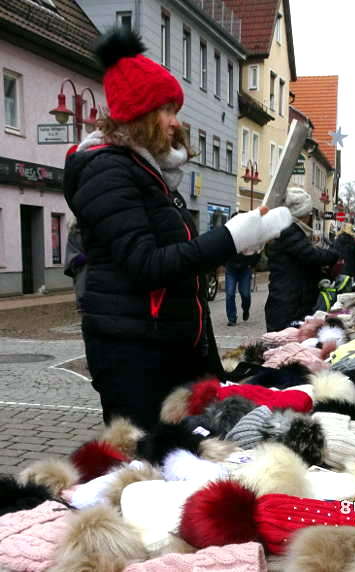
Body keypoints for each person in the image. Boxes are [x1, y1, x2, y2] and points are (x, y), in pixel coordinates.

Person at [63, 29, 291, 430]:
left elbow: (178, 261)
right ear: (141, 114)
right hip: (134, 354)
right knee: (148, 462)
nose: (175, 122)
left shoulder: (148, 173)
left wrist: (242, 244)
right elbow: (147, 264)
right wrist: (230, 238)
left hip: (164, 346)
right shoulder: (109, 171)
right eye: (167, 110)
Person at [265, 188, 339, 332]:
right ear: (301, 215)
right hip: (287, 304)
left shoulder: (287, 230)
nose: (310, 217)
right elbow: (310, 255)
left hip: (288, 301)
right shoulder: (289, 231)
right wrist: (333, 254)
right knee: (285, 344)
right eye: (308, 214)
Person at [225, 245, 260, 326]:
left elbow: (257, 250)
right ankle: (232, 318)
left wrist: (252, 264)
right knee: (230, 294)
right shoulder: (229, 235)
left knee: (245, 294)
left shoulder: (247, 236)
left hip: (245, 269)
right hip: (231, 268)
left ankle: (246, 310)